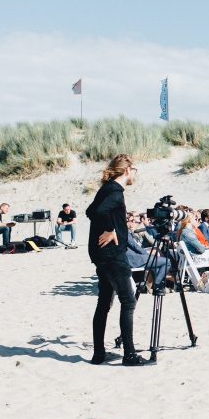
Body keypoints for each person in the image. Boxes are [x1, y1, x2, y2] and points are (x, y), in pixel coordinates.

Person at [86, 154, 147, 366]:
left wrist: (109, 227)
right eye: (135, 170)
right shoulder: (115, 191)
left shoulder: (107, 189)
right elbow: (98, 211)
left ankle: (99, 353)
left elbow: (90, 211)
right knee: (128, 301)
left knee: (104, 303)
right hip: (112, 255)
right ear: (127, 170)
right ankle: (129, 355)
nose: (135, 174)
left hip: (102, 255)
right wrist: (111, 229)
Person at [124, 213, 167, 288]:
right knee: (166, 261)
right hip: (133, 260)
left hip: (133, 257)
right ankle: (158, 284)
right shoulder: (125, 232)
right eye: (132, 220)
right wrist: (146, 254)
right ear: (126, 221)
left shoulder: (123, 231)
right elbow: (134, 246)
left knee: (156, 259)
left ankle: (153, 284)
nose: (134, 222)